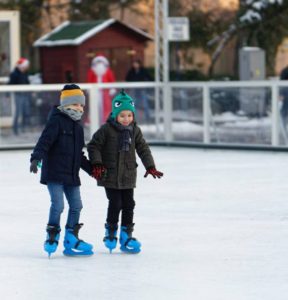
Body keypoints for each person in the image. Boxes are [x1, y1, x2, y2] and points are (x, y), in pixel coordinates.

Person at [87, 89, 163, 254]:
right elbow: (93, 146)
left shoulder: (135, 130)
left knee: (129, 204)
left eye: (129, 115)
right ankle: (111, 232)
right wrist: (97, 163)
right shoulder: (106, 129)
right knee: (115, 203)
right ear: (115, 115)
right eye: (122, 116)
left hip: (128, 174)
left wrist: (150, 166)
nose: (126, 119)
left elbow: (143, 148)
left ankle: (126, 234)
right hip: (110, 174)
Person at [30, 84, 94, 257]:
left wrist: (92, 170)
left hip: (71, 175)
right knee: (58, 205)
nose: (79, 108)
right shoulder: (56, 121)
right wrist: (36, 158)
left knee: (76, 206)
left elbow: (79, 155)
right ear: (66, 105)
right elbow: (44, 141)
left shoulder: (78, 128)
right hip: (55, 174)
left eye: (81, 105)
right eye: (75, 105)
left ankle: (71, 238)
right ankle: (52, 234)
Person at [87, 54, 116, 123]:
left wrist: (112, 88)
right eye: (98, 62)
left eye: (101, 62)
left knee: (106, 106)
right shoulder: (92, 71)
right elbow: (89, 80)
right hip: (95, 91)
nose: (99, 64)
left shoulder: (108, 71)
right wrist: (89, 89)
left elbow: (112, 80)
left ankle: (107, 120)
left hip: (105, 91)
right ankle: (93, 120)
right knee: (94, 106)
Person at [8, 57, 30, 135]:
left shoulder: (25, 73)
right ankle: (15, 129)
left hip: (25, 94)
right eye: (25, 66)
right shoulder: (14, 74)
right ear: (22, 66)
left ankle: (24, 128)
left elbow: (28, 83)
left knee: (25, 112)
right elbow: (10, 84)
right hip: (18, 95)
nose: (26, 67)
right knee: (18, 112)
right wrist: (8, 94)